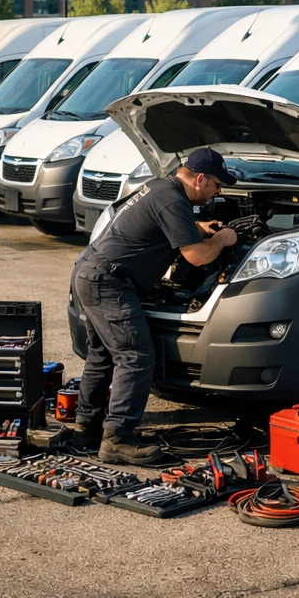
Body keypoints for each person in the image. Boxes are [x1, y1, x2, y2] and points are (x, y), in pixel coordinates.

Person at [70, 147, 240, 465]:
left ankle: (87, 430)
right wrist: (222, 239)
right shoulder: (173, 200)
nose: (218, 191)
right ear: (201, 179)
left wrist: (198, 228)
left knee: (102, 356)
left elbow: (159, 222)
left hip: (90, 271)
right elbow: (197, 257)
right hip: (109, 282)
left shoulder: (161, 187)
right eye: (218, 185)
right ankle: (118, 439)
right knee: (135, 356)